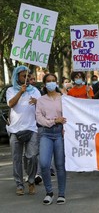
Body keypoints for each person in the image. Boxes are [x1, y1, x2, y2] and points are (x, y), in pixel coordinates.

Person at [6, 65, 41, 196]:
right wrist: (20, 92)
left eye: (28, 76)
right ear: (17, 77)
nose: (26, 78)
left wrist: (37, 101)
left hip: (31, 128)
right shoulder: (11, 90)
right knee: (16, 159)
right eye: (23, 76)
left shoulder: (35, 91)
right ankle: (19, 185)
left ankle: (31, 181)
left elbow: (42, 106)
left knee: (31, 157)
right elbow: (10, 104)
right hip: (15, 130)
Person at [36, 73, 67, 205]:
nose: (51, 83)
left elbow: (72, 113)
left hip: (60, 133)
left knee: (60, 165)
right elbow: (39, 118)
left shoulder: (64, 98)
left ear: (57, 82)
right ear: (44, 84)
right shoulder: (41, 100)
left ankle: (61, 193)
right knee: (44, 163)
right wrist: (54, 121)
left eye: (53, 80)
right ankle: (49, 192)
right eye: (48, 81)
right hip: (45, 133)